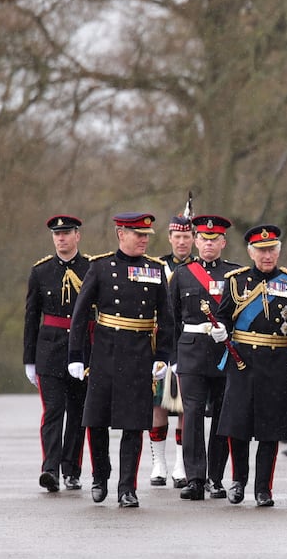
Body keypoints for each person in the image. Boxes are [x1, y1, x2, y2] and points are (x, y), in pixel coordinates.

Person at [67, 212, 175, 508]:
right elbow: (80, 315)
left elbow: (167, 319)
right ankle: (100, 476)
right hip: (105, 353)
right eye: (138, 234)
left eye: (146, 236)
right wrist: (76, 355)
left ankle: (127, 487)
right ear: (120, 234)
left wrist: (163, 356)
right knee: (96, 421)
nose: (143, 240)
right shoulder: (100, 267)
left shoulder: (154, 269)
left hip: (139, 355)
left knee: (134, 425)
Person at [215, 224, 287, 507]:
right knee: (238, 426)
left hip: (277, 363)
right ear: (251, 252)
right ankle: (238, 481)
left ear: (278, 252)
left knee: (270, 430)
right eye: (261, 251)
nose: (267, 255)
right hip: (243, 362)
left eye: (271, 250)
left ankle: (263, 488)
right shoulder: (236, 281)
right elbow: (224, 316)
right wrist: (219, 329)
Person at [164, 213, 236, 500]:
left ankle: (215, 478)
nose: (208, 244)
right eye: (204, 239)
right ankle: (195, 478)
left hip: (223, 352)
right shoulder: (182, 274)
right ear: (196, 241)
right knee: (192, 414)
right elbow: (170, 319)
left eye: (214, 240)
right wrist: (172, 356)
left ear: (223, 243)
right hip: (191, 351)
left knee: (221, 415)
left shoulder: (234, 275)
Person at [23, 214, 90, 492]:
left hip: (82, 350)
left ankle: (71, 470)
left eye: (66, 233)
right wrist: (29, 359)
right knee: (53, 411)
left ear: (77, 236)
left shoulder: (91, 269)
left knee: (77, 413)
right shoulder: (40, 272)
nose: (61, 238)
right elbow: (31, 317)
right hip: (49, 350)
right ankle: (50, 469)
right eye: (56, 234)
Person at [149, 214, 195, 486]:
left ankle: (181, 463)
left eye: (187, 236)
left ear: (193, 239)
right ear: (169, 238)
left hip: (188, 344)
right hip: (160, 343)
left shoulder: (199, 268)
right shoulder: (157, 267)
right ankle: (159, 463)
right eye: (177, 237)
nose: (182, 242)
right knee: (158, 405)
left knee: (185, 406)